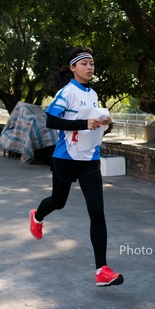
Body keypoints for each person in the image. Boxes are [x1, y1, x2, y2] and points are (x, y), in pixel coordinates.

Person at [29, 46, 124, 287]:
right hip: (66, 158)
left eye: (92, 63)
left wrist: (103, 122)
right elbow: (51, 119)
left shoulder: (93, 94)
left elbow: (92, 122)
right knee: (58, 202)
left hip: (90, 159)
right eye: (84, 64)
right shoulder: (67, 92)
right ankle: (37, 216)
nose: (90, 67)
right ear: (73, 68)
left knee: (97, 212)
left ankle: (101, 270)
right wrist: (84, 123)